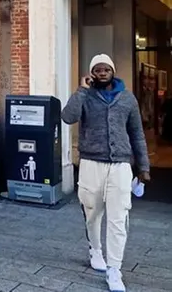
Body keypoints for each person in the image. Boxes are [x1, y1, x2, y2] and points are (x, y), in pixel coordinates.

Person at [61, 53, 150, 292]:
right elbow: (68, 117)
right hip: (91, 163)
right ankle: (95, 250)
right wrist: (80, 90)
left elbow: (137, 134)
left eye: (105, 69)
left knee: (118, 217)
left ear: (113, 71)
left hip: (121, 165)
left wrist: (143, 166)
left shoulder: (128, 98)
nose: (102, 73)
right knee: (92, 213)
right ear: (92, 73)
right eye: (97, 70)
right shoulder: (86, 96)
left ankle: (114, 269)